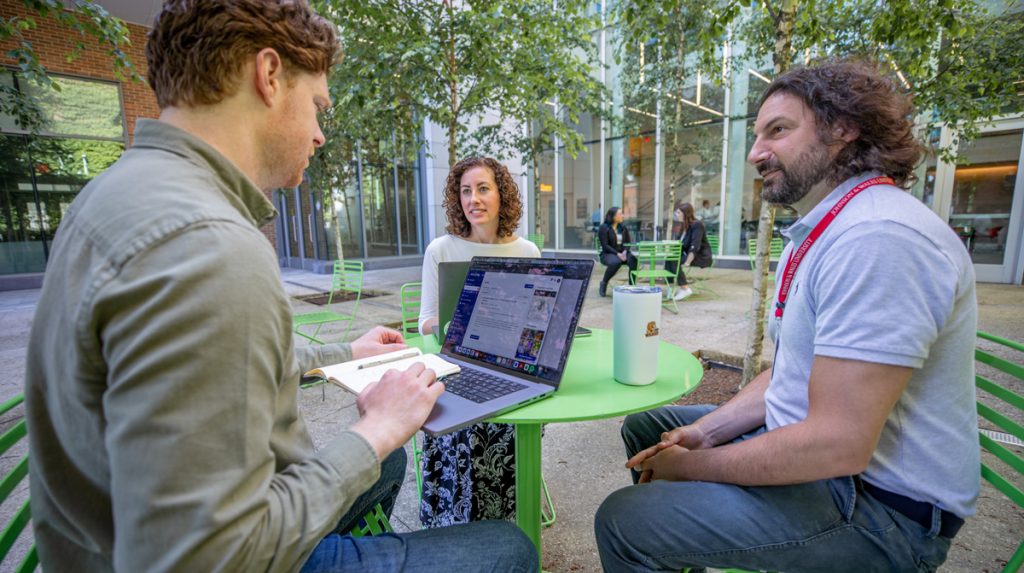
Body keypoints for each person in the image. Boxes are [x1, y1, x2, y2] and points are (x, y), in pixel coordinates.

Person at [23, 2, 536, 571]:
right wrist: (377, 429)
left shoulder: (118, 193)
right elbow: (208, 555)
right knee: (508, 548)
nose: (319, 134)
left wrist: (347, 353)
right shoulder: (211, 244)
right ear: (268, 76)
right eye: (317, 105)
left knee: (389, 464)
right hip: (251, 554)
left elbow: (222, 361)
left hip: (111, 536)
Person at [595, 60, 979, 572]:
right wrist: (706, 434)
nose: (755, 153)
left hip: (881, 509)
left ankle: (660, 530)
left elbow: (837, 443)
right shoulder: (832, 228)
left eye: (778, 130)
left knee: (623, 521)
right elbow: (793, 370)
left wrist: (693, 468)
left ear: (843, 128)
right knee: (652, 429)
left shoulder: (879, 239)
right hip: (836, 472)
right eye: (756, 135)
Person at [417, 156, 540, 527]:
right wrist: (465, 321)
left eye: (483, 188)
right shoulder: (441, 250)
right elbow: (425, 322)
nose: (474, 199)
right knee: (463, 420)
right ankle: (457, 520)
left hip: (511, 368)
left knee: (517, 414)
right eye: (465, 191)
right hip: (458, 367)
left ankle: (511, 517)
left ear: (502, 195)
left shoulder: (528, 252)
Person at [664, 201, 713, 302]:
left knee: (674, 260)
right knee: (669, 258)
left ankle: (685, 288)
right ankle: (671, 288)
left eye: (678, 213)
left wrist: (687, 262)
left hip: (701, 257)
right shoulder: (683, 226)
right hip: (690, 255)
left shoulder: (697, 225)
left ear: (685, 213)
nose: (676, 215)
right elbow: (680, 244)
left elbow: (695, 246)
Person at [597, 206, 638, 297]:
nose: (622, 215)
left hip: (622, 252)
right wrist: (617, 254)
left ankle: (632, 286)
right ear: (613, 216)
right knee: (616, 262)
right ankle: (604, 283)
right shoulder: (604, 228)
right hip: (608, 253)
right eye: (620, 214)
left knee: (633, 260)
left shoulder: (623, 227)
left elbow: (628, 242)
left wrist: (625, 252)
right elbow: (605, 245)